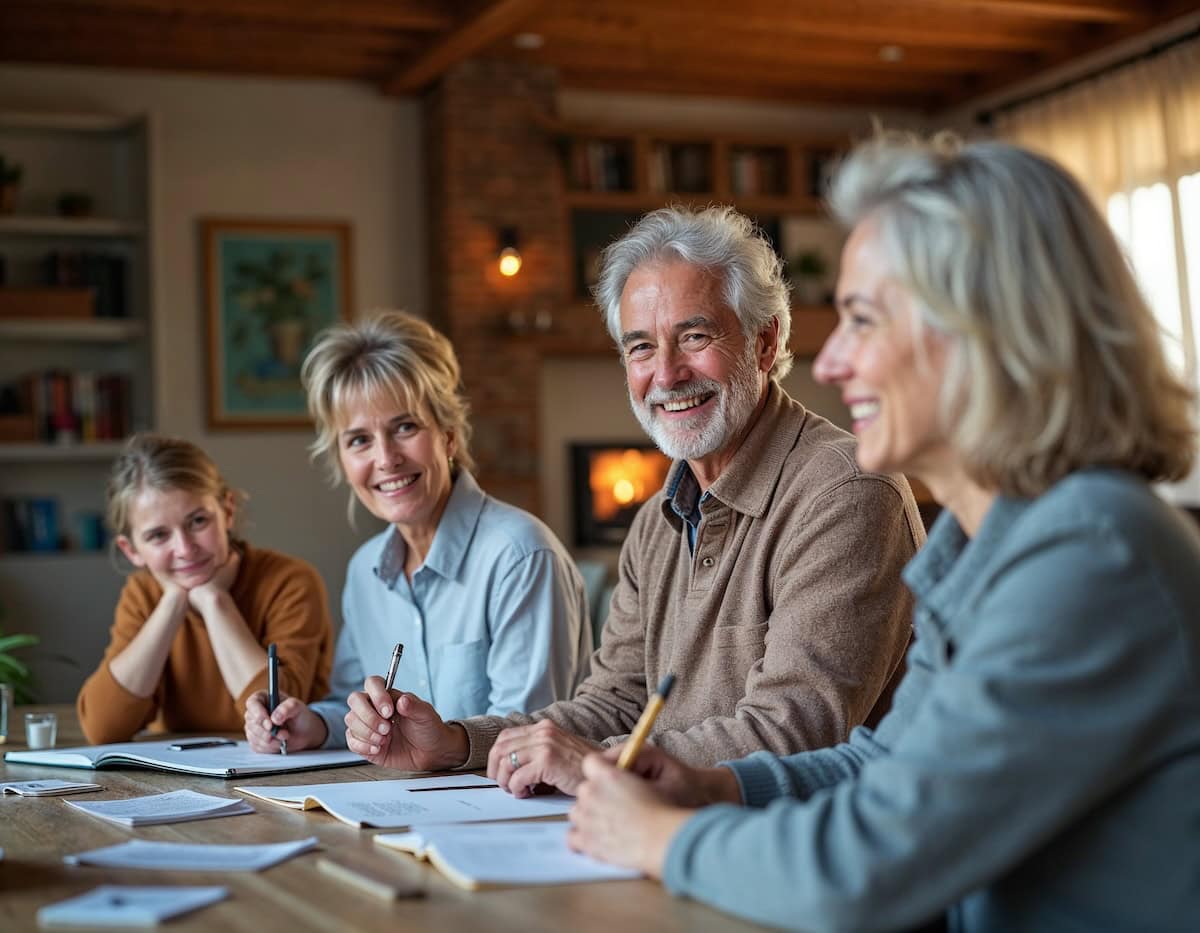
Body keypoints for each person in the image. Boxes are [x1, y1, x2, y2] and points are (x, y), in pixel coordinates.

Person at [565, 133, 1200, 932]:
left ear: (986, 329)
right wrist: (717, 787)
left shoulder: (1091, 552)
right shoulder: (991, 543)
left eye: (863, 319)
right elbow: (884, 763)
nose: (828, 362)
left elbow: (869, 865)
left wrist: (667, 835)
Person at [338, 206, 924, 796]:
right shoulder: (655, 521)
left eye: (694, 337)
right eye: (641, 348)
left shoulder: (847, 491)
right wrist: (461, 743)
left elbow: (795, 730)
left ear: (765, 341)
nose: (665, 375)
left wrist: (592, 764)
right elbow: (613, 703)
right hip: (667, 833)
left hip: (802, 856)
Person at [244, 310, 591, 752]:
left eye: (404, 427)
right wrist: (310, 723)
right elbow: (352, 704)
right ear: (342, 461)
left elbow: (533, 739)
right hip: (403, 802)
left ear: (448, 436)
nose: (386, 458)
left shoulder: (519, 555)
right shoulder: (365, 570)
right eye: (358, 440)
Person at [78, 434, 335, 744]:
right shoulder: (142, 594)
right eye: (159, 536)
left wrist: (215, 602)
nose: (185, 549)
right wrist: (173, 603)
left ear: (227, 511)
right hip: (180, 776)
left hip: (286, 772)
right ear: (131, 550)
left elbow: (278, 719)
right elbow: (103, 728)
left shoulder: (289, 581)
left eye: (198, 521)